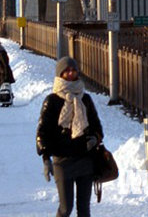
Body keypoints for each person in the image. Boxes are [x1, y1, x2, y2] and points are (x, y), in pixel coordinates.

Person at [36, 56, 104, 217]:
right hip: (62, 161)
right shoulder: (52, 101)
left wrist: (94, 138)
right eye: (66, 71)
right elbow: (42, 131)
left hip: (84, 158)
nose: (70, 73)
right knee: (66, 208)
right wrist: (46, 158)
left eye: (73, 70)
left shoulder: (85, 99)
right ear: (60, 74)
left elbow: (96, 126)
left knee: (84, 209)